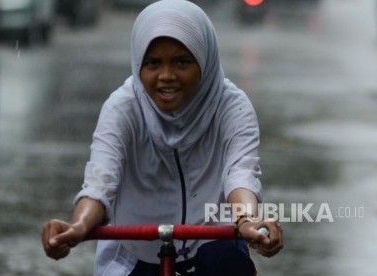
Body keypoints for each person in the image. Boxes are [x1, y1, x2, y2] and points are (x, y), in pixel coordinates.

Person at [41, 0, 283, 275]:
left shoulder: (232, 107)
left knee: (226, 260)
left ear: (205, 60)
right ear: (137, 64)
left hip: (213, 249)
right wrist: (77, 227)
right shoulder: (123, 108)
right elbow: (100, 184)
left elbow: (241, 174)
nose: (166, 76)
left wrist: (248, 221)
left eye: (181, 62)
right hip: (133, 252)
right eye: (153, 63)